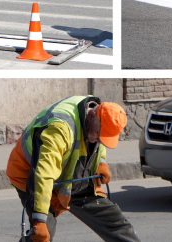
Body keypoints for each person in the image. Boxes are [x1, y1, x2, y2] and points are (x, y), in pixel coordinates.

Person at [7, 96, 141, 242]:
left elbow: (99, 142)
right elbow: (43, 174)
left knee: (112, 219)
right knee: (43, 233)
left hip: (68, 174)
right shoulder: (59, 129)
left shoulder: (95, 117)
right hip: (31, 174)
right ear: (91, 115)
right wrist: (39, 219)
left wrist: (101, 163)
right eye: (99, 134)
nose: (99, 140)